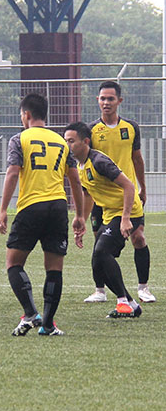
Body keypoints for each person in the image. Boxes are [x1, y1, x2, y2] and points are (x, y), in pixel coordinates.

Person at [0, 93, 85, 337]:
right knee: (54, 268)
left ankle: (30, 313)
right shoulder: (60, 141)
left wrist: (3, 209)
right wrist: (78, 214)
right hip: (58, 207)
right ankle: (47, 324)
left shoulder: (19, 138)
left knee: (14, 263)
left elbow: (13, 173)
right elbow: (75, 180)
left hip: (31, 206)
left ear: (26, 114)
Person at [84, 81, 154, 303]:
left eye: (110, 99)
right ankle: (99, 290)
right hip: (101, 199)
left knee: (139, 238)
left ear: (119, 101)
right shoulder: (91, 130)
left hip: (127, 195)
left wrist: (142, 186)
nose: (106, 102)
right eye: (102, 98)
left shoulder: (131, 127)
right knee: (99, 244)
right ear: (98, 100)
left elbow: (137, 159)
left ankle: (143, 287)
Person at [64, 122, 143, 318]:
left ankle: (122, 302)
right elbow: (89, 194)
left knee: (102, 252)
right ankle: (132, 304)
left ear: (86, 141)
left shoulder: (99, 161)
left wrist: (125, 218)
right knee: (98, 261)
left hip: (128, 211)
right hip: (110, 214)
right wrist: (80, 218)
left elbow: (129, 187)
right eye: (66, 141)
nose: (68, 146)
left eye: (72, 141)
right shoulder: (79, 165)